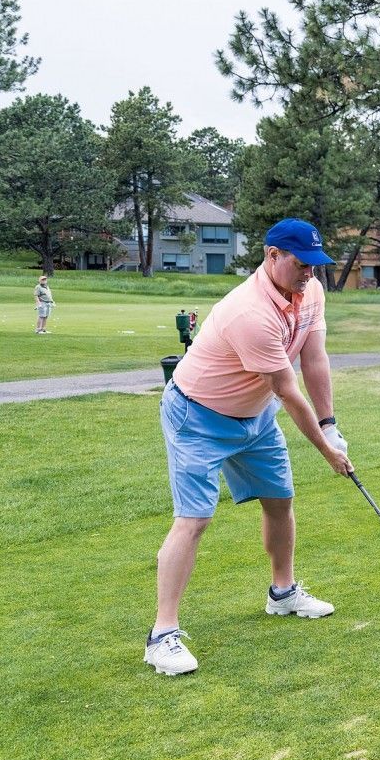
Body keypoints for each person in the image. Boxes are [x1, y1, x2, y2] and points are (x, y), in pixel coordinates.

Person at [145, 219, 353, 676]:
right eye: (301, 264)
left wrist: (330, 423)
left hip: (254, 417)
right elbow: (287, 388)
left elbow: (314, 357)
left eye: (316, 265)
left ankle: (283, 593)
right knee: (194, 519)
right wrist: (326, 450)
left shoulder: (311, 292)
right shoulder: (249, 312)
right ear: (272, 255)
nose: (310, 275)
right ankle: (162, 635)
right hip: (197, 416)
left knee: (280, 501)